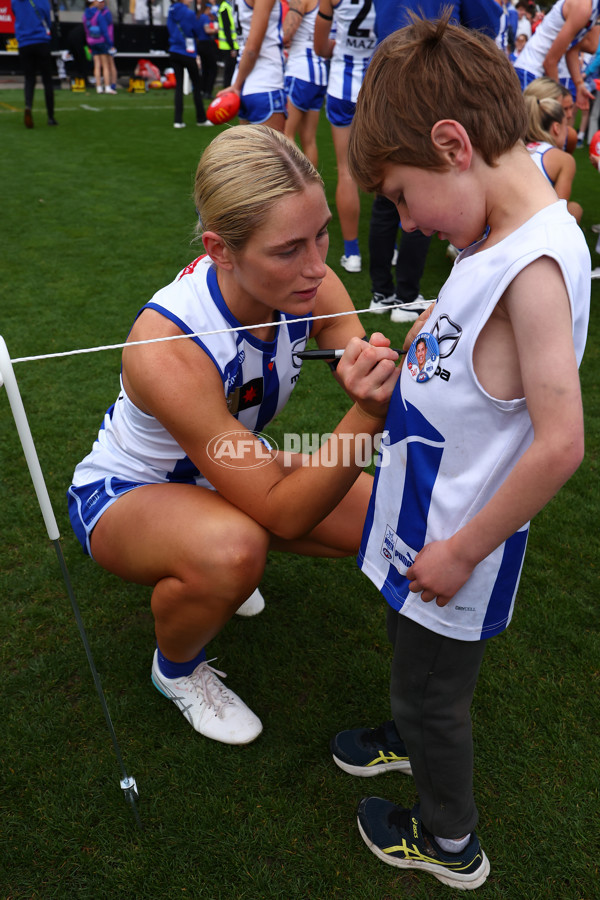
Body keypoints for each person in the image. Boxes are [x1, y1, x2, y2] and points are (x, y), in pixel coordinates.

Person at [330, 15, 589, 890]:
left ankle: (449, 842)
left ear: (452, 145)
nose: (406, 221)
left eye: (400, 198)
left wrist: (461, 550)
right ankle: (409, 735)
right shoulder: (489, 234)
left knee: (433, 692)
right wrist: (399, 373)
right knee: (416, 669)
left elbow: (561, 443)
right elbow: (474, 367)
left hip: (456, 540)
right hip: (424, 515)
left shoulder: (534, 267)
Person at [67, 124, 401, 748]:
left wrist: (367, 364)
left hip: (230, 463)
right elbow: (285, 510)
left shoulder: (310, 283)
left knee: (388, 515)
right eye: (288, 249)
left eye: (322, 232)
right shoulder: (166, 346)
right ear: (221, 249)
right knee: (236, 549)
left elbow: (355, 354)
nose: (315, 265)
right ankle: (177, 669)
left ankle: (218, 570)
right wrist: (367, 419)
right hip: (128, 492)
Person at [366, 0, 502, 314]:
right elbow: (486, 27)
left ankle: (382, 293)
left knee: (390, 198)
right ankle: (404, 296)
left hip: (383, 84)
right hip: (429, 89)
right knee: (422, 196)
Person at [314, 0, 377, 274]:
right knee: (386, 168)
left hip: (343, 86)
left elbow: (320, 48)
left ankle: (352, 253)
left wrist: (340, 46)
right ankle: (388, 246)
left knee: (346, 171)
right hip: (379, 86)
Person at [514, 0, 600, 112]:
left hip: (539, 71)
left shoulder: (593, 11)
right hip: (531, 70)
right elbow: (549, 62)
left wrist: (579, 84)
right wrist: (559, 98)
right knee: (527, 125)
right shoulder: (583, 7)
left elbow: (572, 51)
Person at [223, 0, 286, 130]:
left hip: (244, 80)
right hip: (265, 80)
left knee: (249, 149)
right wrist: (236, 85)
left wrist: (237, 84)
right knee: (271, 149)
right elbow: (252, 50)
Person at [282, 0, 329, 168]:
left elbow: (286, 35)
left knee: (285, 134)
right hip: (319, 72)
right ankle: (313, 186)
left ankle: (298, 185)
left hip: (300, 71)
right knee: (309, 140)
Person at [524, 92, 583, 222]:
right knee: (575, 209)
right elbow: (557, 215)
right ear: (556, 128)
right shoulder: (563, 160)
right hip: (532, 231)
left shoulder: (519, 148)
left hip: (500, 230)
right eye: (565, 125)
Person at [12, 0, 57, 127]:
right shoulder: (43, 1)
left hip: (24, 43)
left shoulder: (15, 1)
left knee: (29, 79)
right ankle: (51, 117)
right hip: (41, 41)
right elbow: (48, 20)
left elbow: (16, 13)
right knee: (47, 80)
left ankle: (28, 106)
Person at [167, 0, 210, 128]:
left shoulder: (171, 10)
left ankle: (178, 120)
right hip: (187, 52)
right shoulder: (189, 13)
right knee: (197, 84)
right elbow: (196, 30)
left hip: (174, 50)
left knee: (179, 85)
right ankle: (201, 118)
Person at [83, 0, 115, 94]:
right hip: (101, 41)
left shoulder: (85, 15)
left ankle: (98, 87)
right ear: (93, 3)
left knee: (97, 65)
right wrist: (110, 44)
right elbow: (105, 31)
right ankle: (107, 87)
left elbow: (86, 31)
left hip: (91, 42)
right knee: (105, 66)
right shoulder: (98, 15)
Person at [196, 1, 220, 98]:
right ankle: (208, 91)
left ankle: (202, 90)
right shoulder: (205, 17)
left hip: (200, 44)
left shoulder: (198, 17)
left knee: (205, 69)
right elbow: (207, 30)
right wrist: (217, 30)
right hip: (207, 44)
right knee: (213, 69)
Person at [217, 0, 238, 88]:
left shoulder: (230, 7)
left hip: (232, 45)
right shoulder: (225, 8)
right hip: (228, 46)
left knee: (232, 71)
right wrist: (232, 47)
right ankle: (227, 92)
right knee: (229, 72)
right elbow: (227, 29)